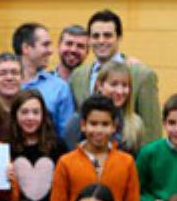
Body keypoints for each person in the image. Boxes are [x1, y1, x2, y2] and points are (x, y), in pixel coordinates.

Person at [49, 95, 141, 201]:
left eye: (105, 124)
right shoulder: (66, 162)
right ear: (83, 125)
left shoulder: (126, 162)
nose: (98, 130)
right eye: (93, 124)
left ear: (114, 127)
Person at [69, 9, 162, 141]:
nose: (101, 41)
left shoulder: (142, 75)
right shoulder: (78, 75)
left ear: (119, 38)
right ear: (89, 39)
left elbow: (152, 129)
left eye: (107, 35)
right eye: (95, 36)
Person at [8, 89, 66, 201]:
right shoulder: (6, 147)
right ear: (15, 114)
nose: (30, 117)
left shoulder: (57, 146)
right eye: (24, 112)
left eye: (35, 112)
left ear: (43, 115)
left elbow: (63, 187)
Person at [62, 61, 147, 154]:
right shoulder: (79, 119)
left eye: (125, 85)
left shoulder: (135, 123)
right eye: (113, 85)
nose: (120, 91)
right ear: (100, 86)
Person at [12, 23, 74, 138]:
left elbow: (67, 136)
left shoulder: (59, 87)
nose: (50, 51)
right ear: (26, 48)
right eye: (45, 45)